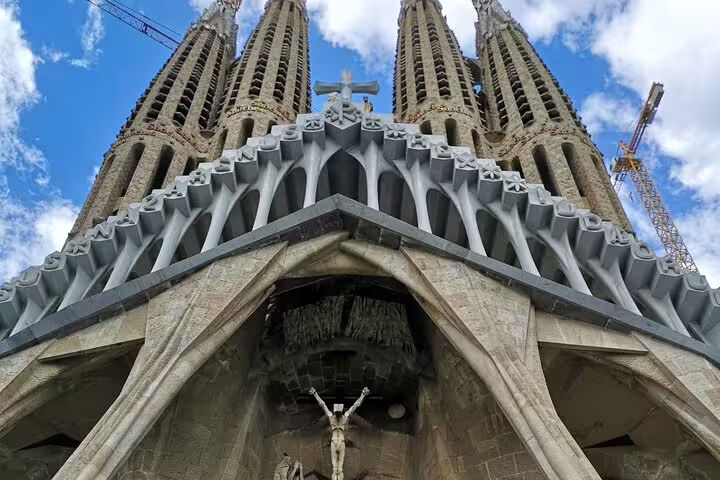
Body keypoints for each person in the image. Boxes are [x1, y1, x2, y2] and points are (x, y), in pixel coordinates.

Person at [309, 387, 370, 480]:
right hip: (334, 443)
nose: (337, 414)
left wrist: (363, 394)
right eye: (336, 412)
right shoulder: (331, 416)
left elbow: (356, 405)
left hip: (341, 443)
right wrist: (315, 394)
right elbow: (322, 404)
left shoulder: (345, 416)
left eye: (338, 412)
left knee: (339, 469)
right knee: (335, 469)